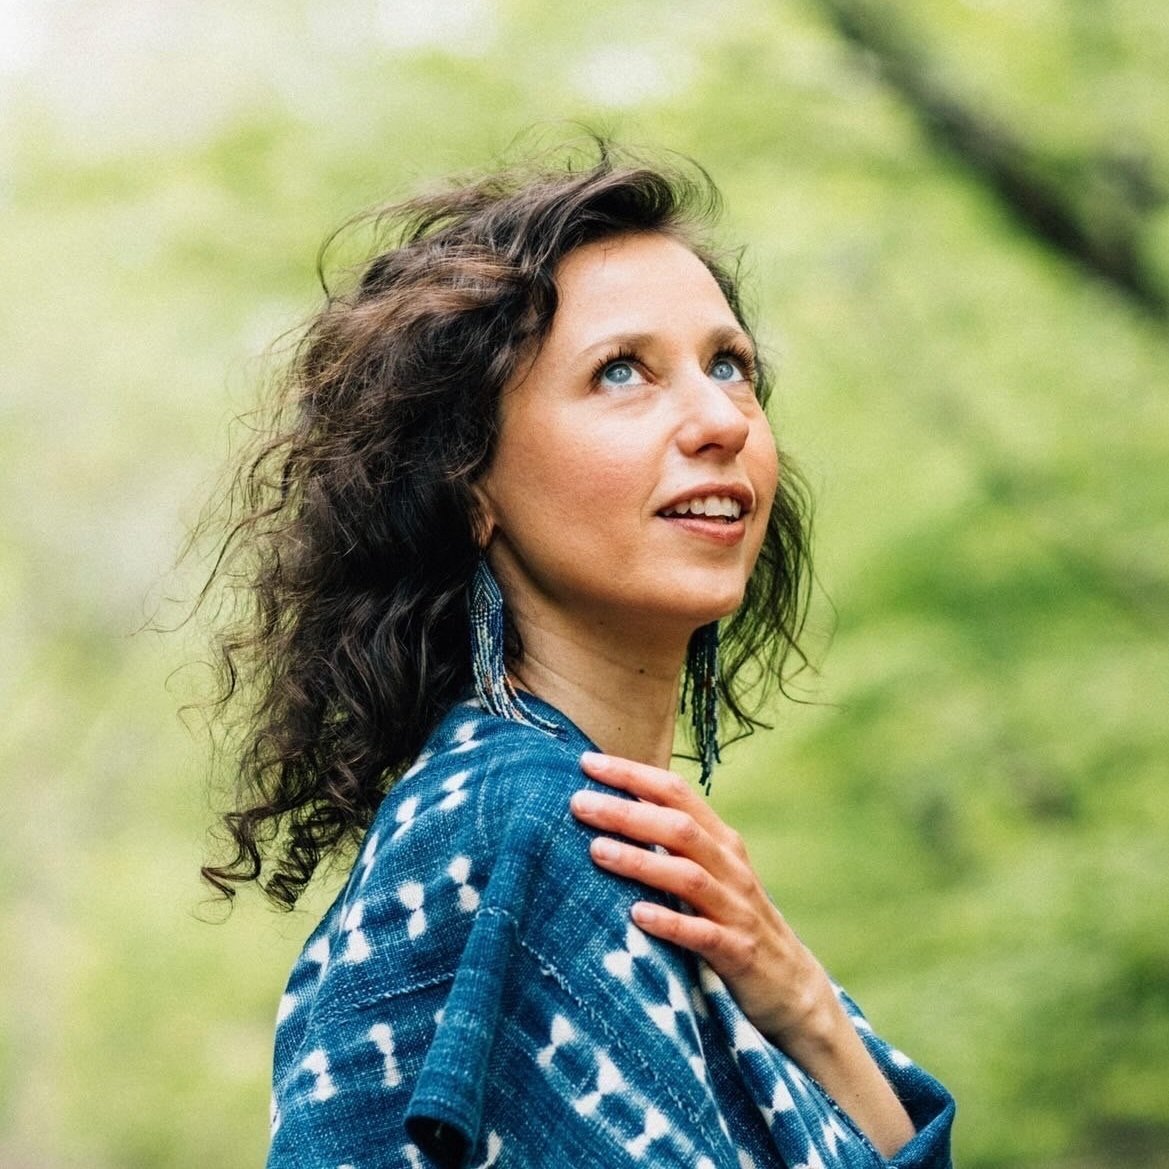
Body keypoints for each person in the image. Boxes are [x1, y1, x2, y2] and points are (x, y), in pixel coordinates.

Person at [199, 143, 955, 1168]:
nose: (718, 420)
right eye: (620, 371)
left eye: (727, 364)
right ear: (469, 486)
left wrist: (801, 1001)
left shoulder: (620, 844)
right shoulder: (514, 825)